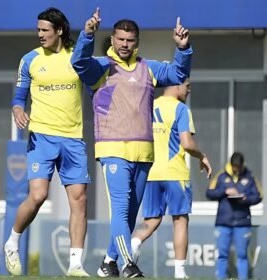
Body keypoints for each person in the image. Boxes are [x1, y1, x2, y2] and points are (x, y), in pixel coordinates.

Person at [71, 8, 193, 278]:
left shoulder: (148, 69)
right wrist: (87, 34)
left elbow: (176, 75)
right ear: (112, 39)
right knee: (120, 207)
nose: (125, 45)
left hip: (144, 154)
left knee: (128, 216)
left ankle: (107, 263)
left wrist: (183, 49)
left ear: (137, 42)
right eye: (120, 39)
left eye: (130, 40)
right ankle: (127, 264)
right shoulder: (101, 67)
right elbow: (79, 63)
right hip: (113, 149)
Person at [3, 7, 90, 277]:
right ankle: (12, 242)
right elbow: (19, 97)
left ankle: (75, 264)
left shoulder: (77, 56)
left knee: (79, 200)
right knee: (38, 195)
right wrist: (18, 110)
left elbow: (97, 82)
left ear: (59, 31)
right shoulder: (29, 59)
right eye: (38, 29)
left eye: (45, 30)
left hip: (73, 138)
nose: (39, 34)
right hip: (41, 136)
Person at [130, 79, 212, 279]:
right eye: (188, 85)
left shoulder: (150, 105)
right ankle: (179, 272)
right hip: (175, 173)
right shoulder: (181, 109)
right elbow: (187, 143)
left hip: (151, 173)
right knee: (181, 220)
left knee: (151, 219)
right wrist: (202, 156)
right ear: (176, 85)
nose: (190, 89)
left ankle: (134, 244)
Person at [206, 152, 263, 280]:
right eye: (234, 166)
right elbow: (209, 192)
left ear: (242, 165)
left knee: (242, 255)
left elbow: (259, 195)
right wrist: (224, 191)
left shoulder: (250, 177)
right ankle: (221, 277)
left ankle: (243, 277)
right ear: (231, 165)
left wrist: (245, 198)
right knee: (222, 255)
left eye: (238, 167)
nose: (236, 169)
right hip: (223, 222)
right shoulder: (221, 176)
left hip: (242, 222)